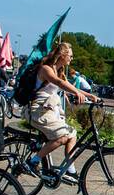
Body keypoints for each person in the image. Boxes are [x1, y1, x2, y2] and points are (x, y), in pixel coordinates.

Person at [22, 42, 97, 177]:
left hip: (49, 110)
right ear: (62, 55)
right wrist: (77, 94)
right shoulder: (46, 69)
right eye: (70, 56)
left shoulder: (59, 71)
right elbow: (59, 83)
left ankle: (70, 170)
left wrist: (89, 95)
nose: (72, 59)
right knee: (62, 136)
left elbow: (67, 84)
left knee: (72, 134)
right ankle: (32, 162)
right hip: (38, 110)